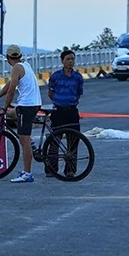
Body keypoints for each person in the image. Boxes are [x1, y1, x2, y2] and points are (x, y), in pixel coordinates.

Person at [0, 44, 42, 183]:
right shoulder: (25, 65)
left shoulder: (16, 68)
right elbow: (10, 84)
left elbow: (11, 90)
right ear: (20, 55)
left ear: (7, 57)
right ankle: (30, 142)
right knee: (12, 115)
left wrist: (4, 107)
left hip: (27, 106)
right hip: (33, 103)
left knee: (23, 140)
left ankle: (27, 173)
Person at [46, 49, 84, 177]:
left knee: (73, 142)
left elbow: (78, 94)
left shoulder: (78, 77)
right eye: (68, 59)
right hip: (58, 112)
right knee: (54, 141)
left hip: (72, 112)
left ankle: (70, 170)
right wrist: (59, 102)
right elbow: (50, 93)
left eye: (72, 59)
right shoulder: (55, 76)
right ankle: (52, 169)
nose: (70, 61)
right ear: (62, 61)